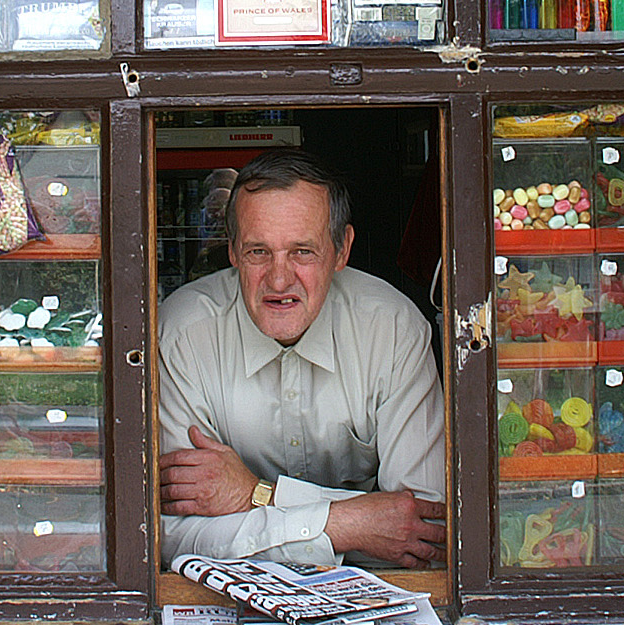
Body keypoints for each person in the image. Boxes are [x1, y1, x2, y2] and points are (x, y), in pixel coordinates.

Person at [158, 148, 446, 569]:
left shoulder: (394, 328)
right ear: (233, 251)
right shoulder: (182, 334)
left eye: (302, 252)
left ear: (342, 249)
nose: (279, 279)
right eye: (259, 252)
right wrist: (351, 524)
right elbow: (171, 535)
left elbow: (422, 532)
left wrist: (258, 495)